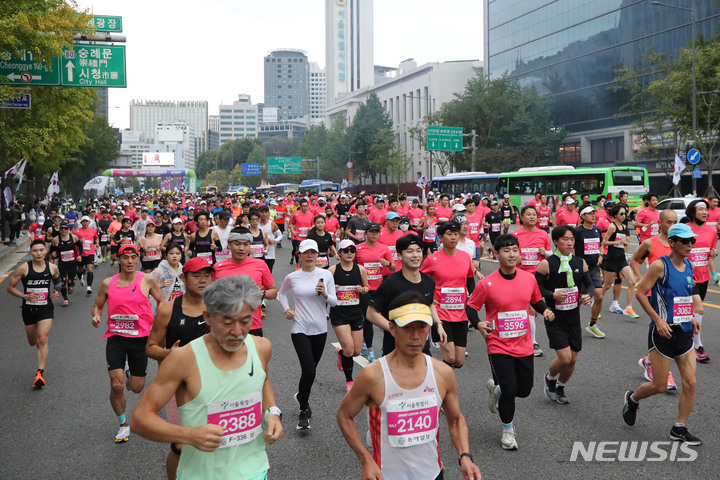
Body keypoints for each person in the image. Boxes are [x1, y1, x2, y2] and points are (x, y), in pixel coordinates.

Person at [131, 276, 282, 479]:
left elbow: (262, 380)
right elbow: (140, 419)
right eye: (227, 322)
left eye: (245, 321)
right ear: (209, 317)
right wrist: (189, 436)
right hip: (201, 474)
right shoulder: (183, 358)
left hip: (254, 469)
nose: (237, 332)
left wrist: (272, 413)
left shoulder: (262, 347)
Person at [337, 292, 482, 480]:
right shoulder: (373, 375)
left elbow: (455, 419)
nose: (415, 336)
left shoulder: (442, 373)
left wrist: (465, 456)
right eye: (407, 327)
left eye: (422, 327)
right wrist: (366, 460)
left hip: (432, 474)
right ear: (392, 327)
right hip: (385, 475)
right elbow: (344, 415)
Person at [468, 234, 554, 450]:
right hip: (498, 344)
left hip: (523, 343)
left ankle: (495, 391)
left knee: (523, 390)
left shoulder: (528, 278)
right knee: (509, 388)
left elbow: (536, 300)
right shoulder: (487, 284)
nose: (512, 254)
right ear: (495, 254)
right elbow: (471, 307)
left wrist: (545, 311)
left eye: (515, 250)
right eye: (506, 250)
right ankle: (508, 431)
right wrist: (478, 324)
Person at [622, 224, 703, 446]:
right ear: (673, 242)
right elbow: (640, 293)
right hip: (662, 332)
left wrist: (692, 317)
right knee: (659, 385)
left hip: (684, 332)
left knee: (691, 382)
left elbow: (684, 296)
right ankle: (633, 398)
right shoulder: (660, 266)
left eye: (692, 242)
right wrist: (657, 320)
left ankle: (679, 427)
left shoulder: (689, 265)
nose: (689, 245)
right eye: (685, 242)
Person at [146, 256, 214, 479]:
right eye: (197, 275)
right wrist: (169, 354)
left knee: (215, 438)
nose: (203, 280)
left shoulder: (217, 308)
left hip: (214, 382)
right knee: (181, 444)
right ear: (184, 277)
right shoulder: (168, 310)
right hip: (179, 387)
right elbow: (151, 347)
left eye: (207, 275)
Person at [91, 244, 164, 443]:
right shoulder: (108, 283)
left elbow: (161, 301)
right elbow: (97, 305)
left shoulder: (147, 279)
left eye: (134, 257)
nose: (130, 261)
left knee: (137, 387)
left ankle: (130, 372)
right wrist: (96, 316)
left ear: (138, 259)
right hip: (116, 338)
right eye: (126, 258)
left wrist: (161, 324)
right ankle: (123, 425)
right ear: (119, 260)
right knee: (116, 385)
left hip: (141, 339)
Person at [278, 239, 338, 430]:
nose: (310, 256)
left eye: (313, 253)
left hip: (320, 329)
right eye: (306, 253)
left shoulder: (326, 275)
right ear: (299, 255)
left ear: (318, 255)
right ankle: (304, 410)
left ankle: (301, 396)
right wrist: (287, 309)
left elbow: (335, 302)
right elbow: (281, 294)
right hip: (300, 328)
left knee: (310, 372)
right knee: (309, 370)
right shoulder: (292, 277)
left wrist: (326, 295)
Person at [535, 225, 594, 404]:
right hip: (554, 317)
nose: (569, 243)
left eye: (572, 239)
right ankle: (550, 377)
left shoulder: (579, 262)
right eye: (565, 239)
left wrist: (587, 296)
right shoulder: (547, 263)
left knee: (573, 359)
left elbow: (589, 285)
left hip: (573, 317)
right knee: (565, 357)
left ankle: (560, 386)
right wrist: (552, 295)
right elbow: (536, 289)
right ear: (555, 241)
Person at [367, 234, 447, 356]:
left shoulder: (429, 282)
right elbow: (371, 313)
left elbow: (430, 304)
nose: (415, 255)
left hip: (422, 347)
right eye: (410, 251)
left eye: (418, 251)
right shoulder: (390, 283)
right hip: (395, 349)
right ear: (399, 256)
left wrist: (438, 324)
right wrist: (394, 330)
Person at [630, 209, 679, 391]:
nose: (672, 225)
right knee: (663, 330)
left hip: (677, 295)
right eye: (668, 222)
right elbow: (635, 260)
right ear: (659, 223)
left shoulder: (680, 243)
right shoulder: (650, 243)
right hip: (656, 295)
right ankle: (663, 371)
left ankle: (649, 360)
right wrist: (640, 279)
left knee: (674, 330)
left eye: (675, 221)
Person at [6, 240, 62, 388]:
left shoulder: (52, 267)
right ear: (31, 252)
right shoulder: (23, 268)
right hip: (28, 309)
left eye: (41, 250)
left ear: (46, 252)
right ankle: (40, 346)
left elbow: (58, 281)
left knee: (43, 337)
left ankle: (39, 374)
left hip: (45, 308)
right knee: (33, 342)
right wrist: (24, 296)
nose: (38, 253)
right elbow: (10, 288)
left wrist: (57, 291)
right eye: (35, 250)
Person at [421, 221, 476, 369]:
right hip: (441, 313)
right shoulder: (432, 259)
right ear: (440, 237)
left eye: (456, 234)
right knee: (450, 357)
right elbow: (420, 280)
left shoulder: (465, 257)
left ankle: (433, 372)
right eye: (449, 234)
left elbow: (470, 279)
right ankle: (439, 385)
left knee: (459, 361)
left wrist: (473, 298)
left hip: (461, 313)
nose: (453, 237)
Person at [213, 228, 277, 337]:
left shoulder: (260, 265)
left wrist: (262, 293)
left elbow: (274, 292)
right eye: (237, 244)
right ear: (229, 244)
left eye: (246, 244)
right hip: (225, 327)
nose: (241, 248)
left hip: (252, 326)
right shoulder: (218, 268)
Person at [329, 239, 370, 390]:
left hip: (356, 313)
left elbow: (367, 287)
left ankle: (341, 353)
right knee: (349, 350)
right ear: (339, 253)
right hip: (339, 314)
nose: (349, 253)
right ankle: (349, 381)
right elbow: (322, 292)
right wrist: (332, 288)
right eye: (345, 251)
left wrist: (363, 290)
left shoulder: (360, 270)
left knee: (357, 351)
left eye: (352, 250)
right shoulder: (332, 271)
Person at [512, 205, 553, 355]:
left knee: (534, 312)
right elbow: (509, 254)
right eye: (528, 214)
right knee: (530, 309)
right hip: (522, 275)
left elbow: (551, 254)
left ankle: (523, 336)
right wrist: (516, 258)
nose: (532, 217)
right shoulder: (515, 234)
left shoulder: (543, 234)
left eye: (534, 214)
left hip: (539, 277)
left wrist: (545, 252)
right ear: (521, 218)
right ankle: (533, 343)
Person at [355, 222, 395, 362]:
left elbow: (394, 268)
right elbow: (351, 267)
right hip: (364, 289)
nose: (374, 234)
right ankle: (370, 349)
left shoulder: (384, 248)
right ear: (365, 233)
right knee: (367, 319)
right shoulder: (358, 248)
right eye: (371, 231)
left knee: (384, 319)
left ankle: (384, 349)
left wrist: (388, 264)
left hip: (380, 289)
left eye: (376, 232)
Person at [685, 199, 717, 363]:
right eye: (701, 209)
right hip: (687, 276)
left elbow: (710, 253)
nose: (705, 212)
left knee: (694, 311)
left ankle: (688, 341)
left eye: (706, 210)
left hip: (703, 276)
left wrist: (712, 259)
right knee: (698, 308)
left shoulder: (712, 231)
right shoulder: (686, 230)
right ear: (692, 212)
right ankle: (697, 345)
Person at [600, 203, 639, 318]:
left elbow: (625, 243)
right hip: (611, 259)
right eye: (621, 214)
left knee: (632, 282)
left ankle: (629, 307)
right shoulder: (612, 227)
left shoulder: (625, 228)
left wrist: (625, 246)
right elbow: (604, 242)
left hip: (621, 259)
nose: (624, 216)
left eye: (625, 214)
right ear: (615, 215)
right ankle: (596, 302)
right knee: (607, 285)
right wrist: (617, 242)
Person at [574, 204, 606, 338]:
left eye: (594, 213)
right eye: (589, 213)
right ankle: (574, 325)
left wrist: (600, 256)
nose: (593, 215)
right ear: (582, 216)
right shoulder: (577, 231)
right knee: (579, 299)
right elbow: (572, 249)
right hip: (580, 269)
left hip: (594, 269)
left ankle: (592, 325)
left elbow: (601, 245)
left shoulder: (597, 230)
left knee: (599, 296)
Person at [75, 216, 99, 295]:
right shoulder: (77, 232)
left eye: (87, 221)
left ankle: (89, 287)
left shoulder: (93, 231)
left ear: (89, 223)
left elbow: (96, 238)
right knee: (80, 270)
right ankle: (81, 278)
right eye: (83, 222)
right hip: (80, 253)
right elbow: (72, 241)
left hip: (90, 252)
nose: (85, 223)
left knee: (90, 268)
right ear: (81, 223)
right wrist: (79, 240)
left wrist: (96, 244)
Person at [288, 198, 315, 265]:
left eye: (306, 206)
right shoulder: (296, 214)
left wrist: (311, 227)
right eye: (303, 206)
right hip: (297, 237)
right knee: (298, 251)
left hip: (307, 236)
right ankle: (297, 263)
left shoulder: (311, 215)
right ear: (300, 206)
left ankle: (305, 263)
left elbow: (314, 224)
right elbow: (291, 223)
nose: (305, 208)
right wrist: (293, 231)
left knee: (306, 251)